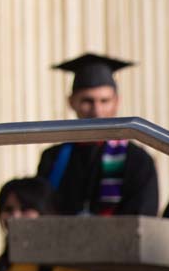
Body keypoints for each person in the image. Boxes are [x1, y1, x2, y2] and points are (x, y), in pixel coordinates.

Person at [35, 53, 158, 217]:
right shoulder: (53, 159)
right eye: (87, 101)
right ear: (71, 102)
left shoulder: (137, 160)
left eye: (104, 101)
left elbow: (142, 217)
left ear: (117, 101)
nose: (97, 111)